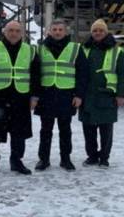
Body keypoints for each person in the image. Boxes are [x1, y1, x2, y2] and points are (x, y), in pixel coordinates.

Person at [0, 21, 40, 175]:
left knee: (19, 132)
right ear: (4, 32)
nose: (13, 34)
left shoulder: (31, 50)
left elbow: (36, 76)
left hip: (21, 97)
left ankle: (16, 161)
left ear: (22, 33)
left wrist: (34, 97)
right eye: (10, 30)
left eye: (17, 31)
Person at [33, 19, 88, 172]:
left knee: (65, 130)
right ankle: (43, 159)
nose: (57, 32)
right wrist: (35, 96)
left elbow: (83, 74)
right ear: (49, 31)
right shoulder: (40, 49)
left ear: (66, 32)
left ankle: (66, 159)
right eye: (54, 29)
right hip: (46, 94)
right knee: (45, 130)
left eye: (60, 30)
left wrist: (79, 95)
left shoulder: (76, 48)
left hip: (66, 94)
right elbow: (36, 74)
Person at [79, 19, 124, 168]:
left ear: (106, 32)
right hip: (88, 95)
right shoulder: (84, 49)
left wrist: (121, 94)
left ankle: (104, 158)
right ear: (91, 32)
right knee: (88, 128)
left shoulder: (116, 50)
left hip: (107, 95)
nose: (98, 33)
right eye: (95, 30)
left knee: (106, 129)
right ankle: (92, 156)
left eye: (101, 30)